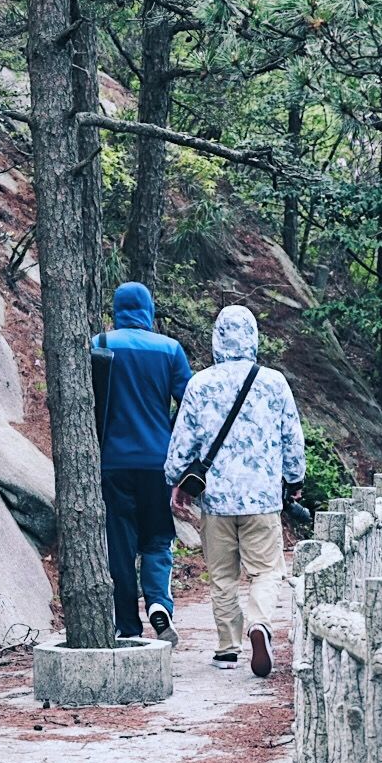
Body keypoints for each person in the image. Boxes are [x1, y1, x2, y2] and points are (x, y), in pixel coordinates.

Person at [164, 305, 305, 676]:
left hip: (216, 500)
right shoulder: (274, 382)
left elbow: (182, 442)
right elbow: (292, 437)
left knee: (223, 575)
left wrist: (176, 480)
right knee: (266, 571)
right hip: (262, 499)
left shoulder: (199, 384)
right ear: (254, 337)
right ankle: (260, 624)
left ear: (216, 339)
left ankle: (228, 646)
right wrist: (295, 480)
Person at [97, 282, 191, 642]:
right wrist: (169, 431)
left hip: (113, 462)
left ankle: (127, 626)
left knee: (120, 544)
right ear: (149, 309)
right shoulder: (170, 350)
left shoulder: (100, 344)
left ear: (117, 308)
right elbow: (189, 399)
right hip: (158, 461)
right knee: (157, 538)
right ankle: (158, 604)